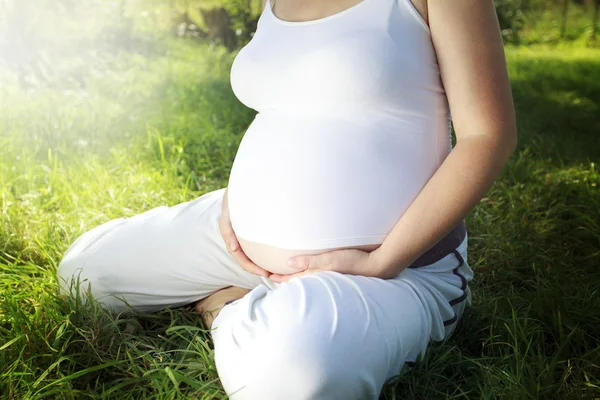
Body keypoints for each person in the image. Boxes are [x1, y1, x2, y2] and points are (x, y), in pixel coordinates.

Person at [57, 0, 517, 398]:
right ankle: (256, 296)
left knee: (292, 383)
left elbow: (487, 136)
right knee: (84, 273)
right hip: (237, 237)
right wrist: (243, 199)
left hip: (393, 268)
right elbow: (296, 106)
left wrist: (383, 263)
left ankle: (226, 308)